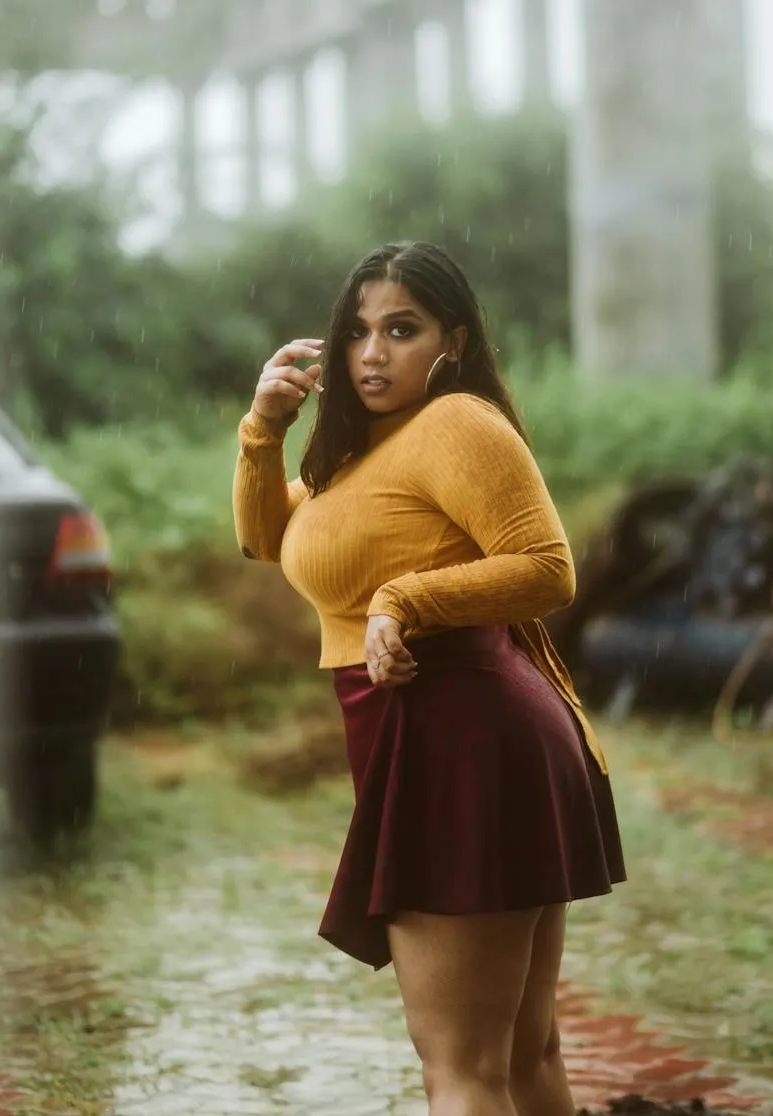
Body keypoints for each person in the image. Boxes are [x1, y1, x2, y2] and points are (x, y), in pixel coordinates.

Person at [233, 241, 625, 1116]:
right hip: (458, 737)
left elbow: (548, 568)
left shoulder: (456, 424)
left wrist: (402, 600)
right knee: (519, 1060)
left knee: (463, 1069)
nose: (372, 353)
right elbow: (267, 538)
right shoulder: (357, 455)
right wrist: (263, 430)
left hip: (464, 733)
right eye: (357, 331)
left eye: (401, 330)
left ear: (452, 339)